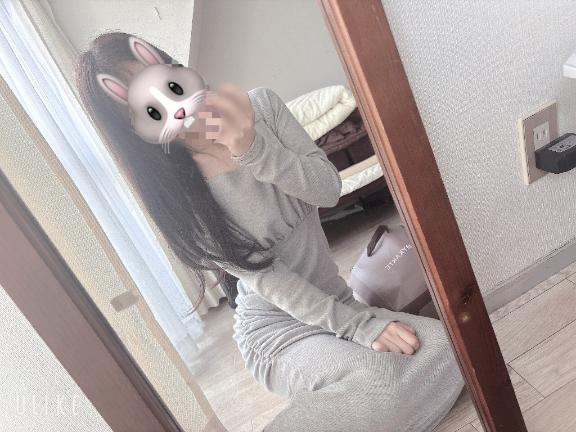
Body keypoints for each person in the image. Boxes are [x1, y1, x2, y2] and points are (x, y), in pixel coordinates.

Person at [76, 31, 464, 432]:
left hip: (337, 298)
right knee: (379, 378)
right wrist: (359, 327)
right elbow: (269, 280)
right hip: (276, 331)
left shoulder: (261, 106)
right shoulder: (178, 195)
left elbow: (328, 190)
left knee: (448, 350)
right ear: (133, 126)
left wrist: (253, 149)